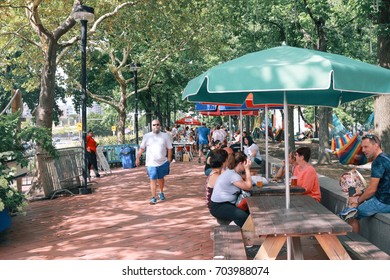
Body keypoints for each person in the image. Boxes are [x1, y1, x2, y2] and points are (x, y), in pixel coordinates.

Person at [347, 134, 390, 233]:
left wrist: (357, 201)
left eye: (366, 147)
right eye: (362, 147)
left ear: (376, 146)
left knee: (351, 213)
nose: (363, 150)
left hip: (384, 202)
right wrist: (362, 192)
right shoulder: (386, 157)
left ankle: (353, 246)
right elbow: (382, 185)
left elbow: (372, 190)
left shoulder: (378, 162)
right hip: (385, 198)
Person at [209, 151, 252, 228]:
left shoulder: (230, 172)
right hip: (219, 206)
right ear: (241, 163)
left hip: (224, 204)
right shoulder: (233, 175)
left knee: (249, 213)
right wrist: (247, 169)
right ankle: (229, 230)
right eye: (245, 163)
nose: (246, 165)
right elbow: (249, 186)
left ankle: (234, 229)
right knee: (244, 217)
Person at [135, 119, 173, 204]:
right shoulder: (147, 136)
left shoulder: (165, 136)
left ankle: (161, 192)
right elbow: (142, 148)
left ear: (160, 126)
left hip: (162, 162)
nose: (156, 126)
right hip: (151, 163)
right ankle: (153, 196)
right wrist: (137, 158)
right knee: (152, 179)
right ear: (151, 126)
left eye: (157, 125)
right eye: (154, 125)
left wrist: (169, 159)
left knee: (161, 178)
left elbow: (170, 148)